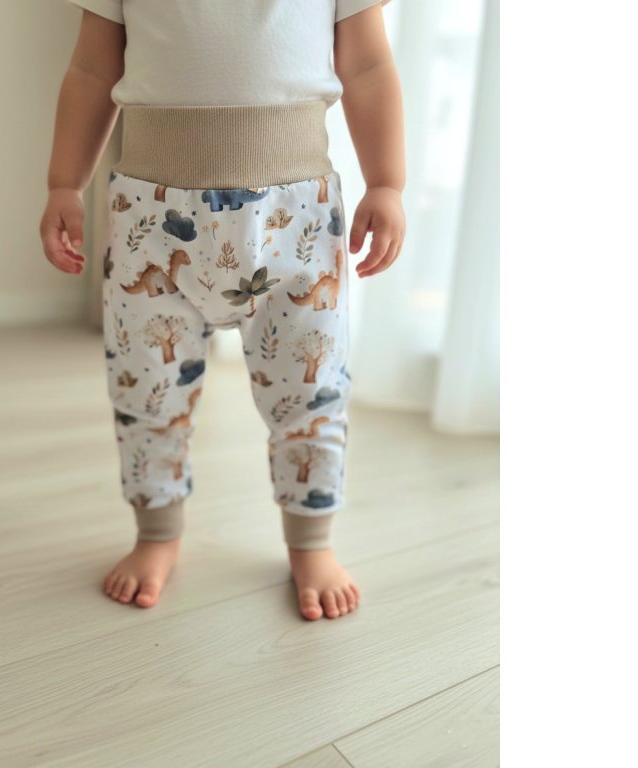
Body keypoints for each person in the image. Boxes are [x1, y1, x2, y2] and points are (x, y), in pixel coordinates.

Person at [40, 0, 405, 620]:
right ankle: (157, 530)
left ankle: (311, 538)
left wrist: (387, 182)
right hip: (151, 219)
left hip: (295, 221)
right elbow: (92, 70)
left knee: (311, 389)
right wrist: (63, 183)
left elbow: (368, 66)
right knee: (146, 388)